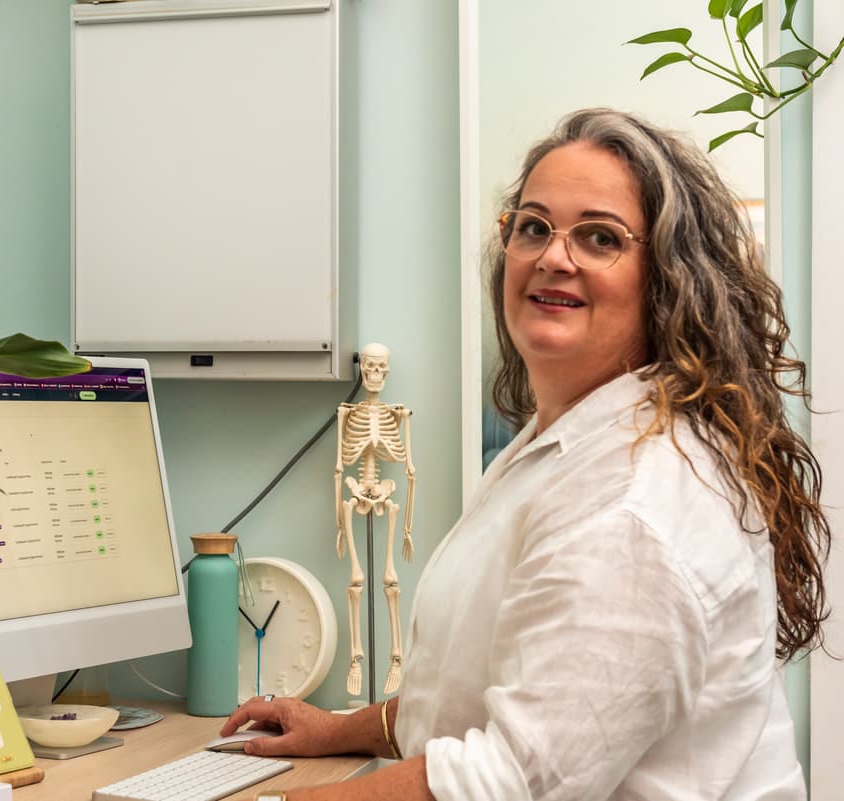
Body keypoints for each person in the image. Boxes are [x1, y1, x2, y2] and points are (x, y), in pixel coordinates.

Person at [221, 108, 831, 801]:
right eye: (534, 227)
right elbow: (494, 690)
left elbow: (510, 780)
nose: (553, 257)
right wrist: (340, 729)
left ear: (666, 279)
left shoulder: (634, 503)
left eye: (599, 237)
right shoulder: (563, 440)